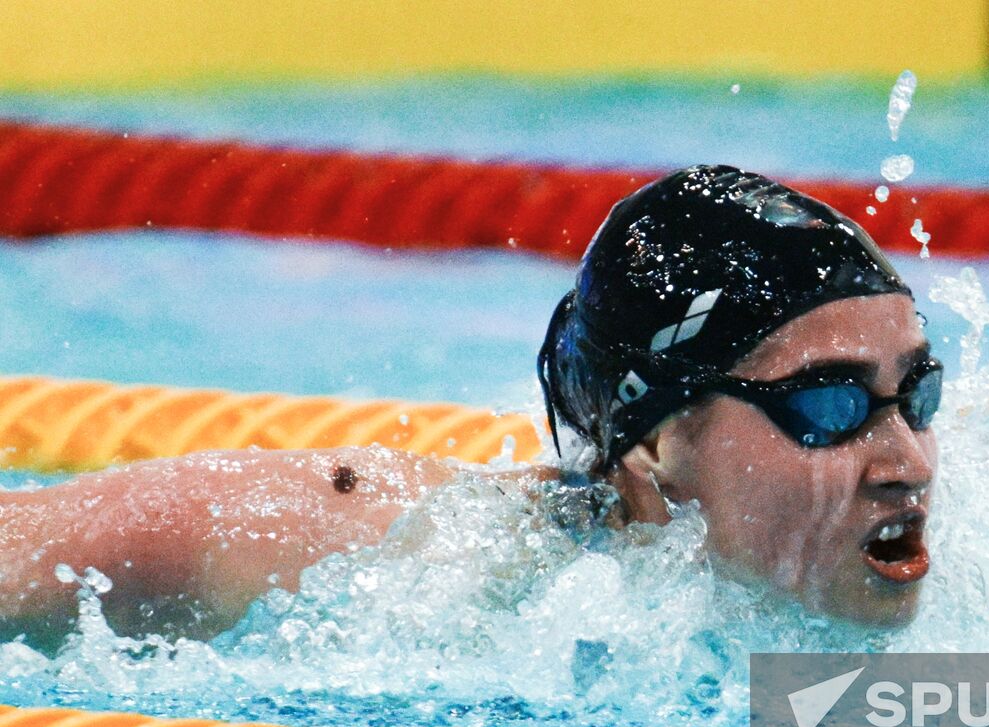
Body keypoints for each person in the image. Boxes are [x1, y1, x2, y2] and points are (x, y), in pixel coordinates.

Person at [0, 165, 940, 650]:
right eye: (830, 403)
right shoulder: (407, 561)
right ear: (656, 442)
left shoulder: (984, 570)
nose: (908, 462)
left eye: (915, 393)